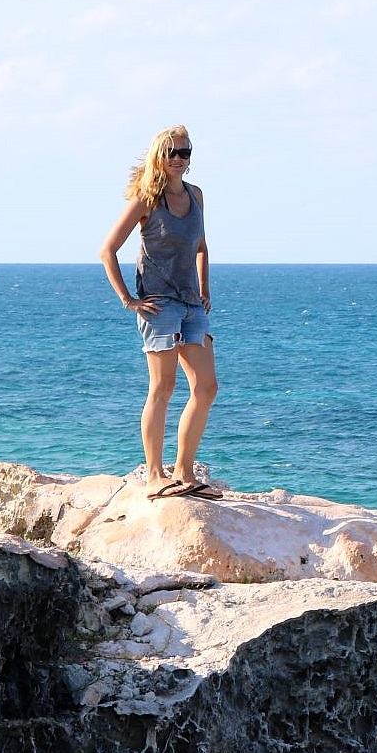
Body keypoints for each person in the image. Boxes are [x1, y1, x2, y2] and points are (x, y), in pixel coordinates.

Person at [99, 124, 223, 500]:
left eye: (184, 153)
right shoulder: (146, 199)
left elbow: (201, 245)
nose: (178, 159)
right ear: (159, 155)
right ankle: (155, 475)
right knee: (163, 387)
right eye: (171, 152)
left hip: (190, 303)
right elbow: (108, 250)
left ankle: (184, 471)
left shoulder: (196, 195)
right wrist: (128, 300)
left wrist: (204, 289)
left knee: (206, 387)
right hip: (159, 302)